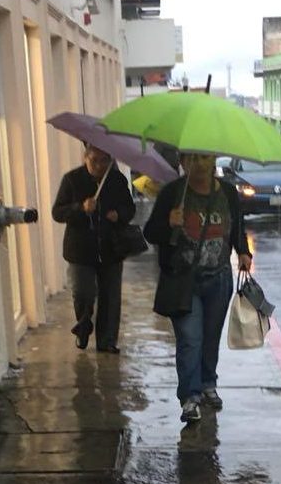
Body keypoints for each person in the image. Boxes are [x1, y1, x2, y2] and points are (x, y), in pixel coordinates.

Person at [144, 153, 253, 424]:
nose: (199, 164)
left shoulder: (227, 192)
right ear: (182, 161)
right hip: (183, 280)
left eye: (204, 157)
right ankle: (189, 397)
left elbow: (237, 225)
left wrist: (243, 251)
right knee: (190, 338)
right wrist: (168, 222)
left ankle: (207, 383)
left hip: (219, 279)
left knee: (210, 336)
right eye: (192, 159)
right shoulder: (173, 193)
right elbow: (150, 233)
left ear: (214, 159)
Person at [53, 145, 136, 353]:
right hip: (80, 250)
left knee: (110, 296)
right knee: (83, 293)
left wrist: (119, 215)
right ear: (85, 158)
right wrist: (80, 209)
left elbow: (129, 208)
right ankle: (83, 326)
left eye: (104, 160)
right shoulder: (72, 179)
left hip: (111, 248)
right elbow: (58, 212)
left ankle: (107, 341)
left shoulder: (116, 181)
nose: (99, 165)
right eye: (94, 160)